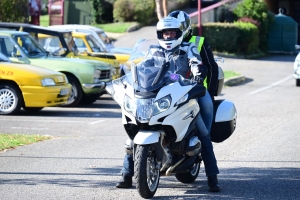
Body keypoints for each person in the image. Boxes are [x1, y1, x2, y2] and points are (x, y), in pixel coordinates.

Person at [116, 16, 220, 192]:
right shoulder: (153, 51)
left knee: (203, 134)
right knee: (136, 132)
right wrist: (131, 78)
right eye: (165, 33)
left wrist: (197, 74)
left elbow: (196, 64)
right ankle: (126, 175)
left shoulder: (188, 48)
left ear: (179, 34)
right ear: (160, 35)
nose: (168, 37)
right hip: (159, 96)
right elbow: (142, 67)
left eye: (172, 33)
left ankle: (212, 177)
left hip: (184, 95)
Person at [168, 10, 221, 192]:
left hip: (194, 90)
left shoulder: (197, 43)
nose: (172, 33)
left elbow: (211, 67)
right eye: (169, 30)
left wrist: (210, 91)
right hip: (170, 91)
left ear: (185, 28)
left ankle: (212, 176)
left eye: (176, 29)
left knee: (205, 118)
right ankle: (127, 173)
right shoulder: (164, 43)